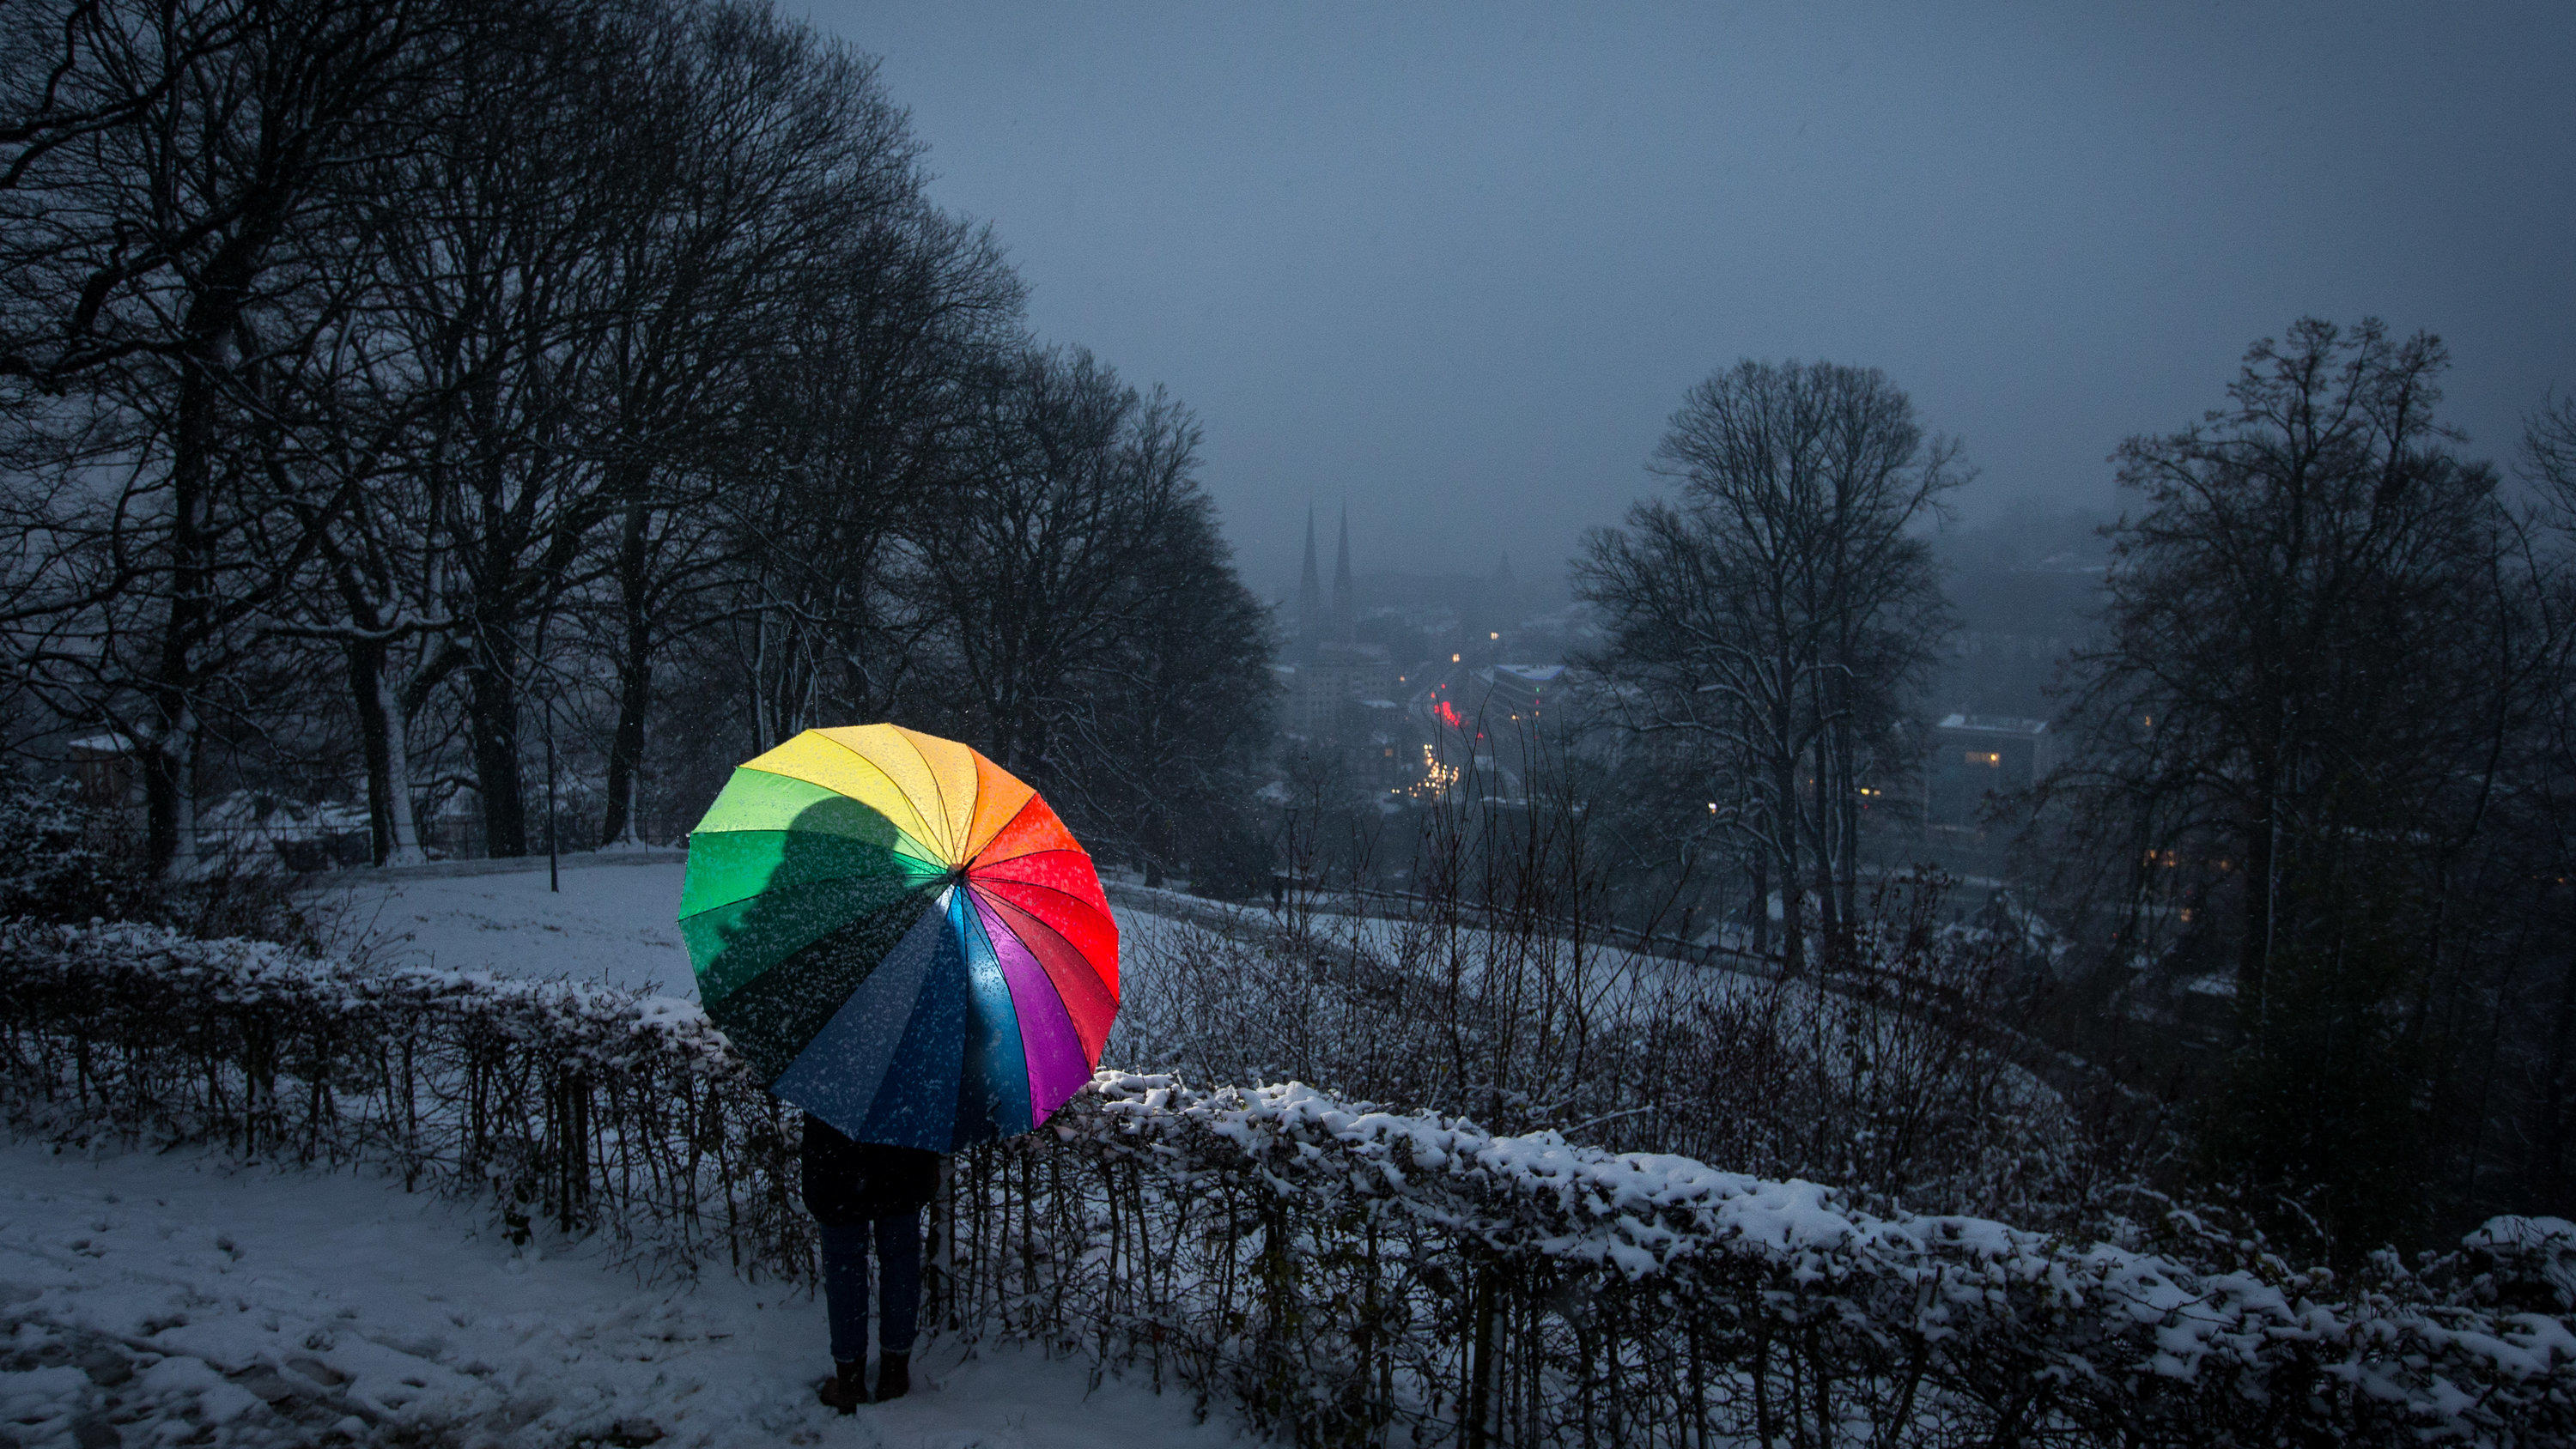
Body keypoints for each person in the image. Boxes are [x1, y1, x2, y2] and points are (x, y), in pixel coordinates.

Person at [801, 1113, 939, 1413]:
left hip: (836, 1154)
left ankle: (850, 1383)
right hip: (903, 1148)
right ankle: (894, 1375)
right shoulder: (912, 1066)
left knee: (844, 1264)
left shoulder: (825, 1069)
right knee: (900, 1257)